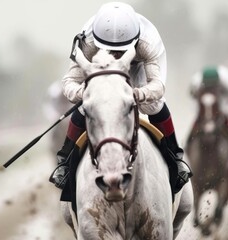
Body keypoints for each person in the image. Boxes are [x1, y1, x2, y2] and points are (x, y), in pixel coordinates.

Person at [48, 1, 192, 194]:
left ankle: (176, 156)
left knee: (153, 105)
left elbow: (157, 86)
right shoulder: (88, 42)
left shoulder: (147, 42)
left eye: (121, 49)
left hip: (136, 66)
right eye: (110, 49)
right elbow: (69, 82)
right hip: (101, 67)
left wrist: (140, 93)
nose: (116, 54)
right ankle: (64, 161)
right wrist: (87, 94)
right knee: (85, 106)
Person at [190, 65, 228, 153]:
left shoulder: (227, 82)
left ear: (218, 84)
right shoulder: (196, 84)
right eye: (208, 87)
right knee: (197, 119)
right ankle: (188, 141)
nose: (210, 89)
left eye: (212, 87)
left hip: (223, 100)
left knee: (227, 118)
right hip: (202, 101)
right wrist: (199, 112)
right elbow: (192, 99)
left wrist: (226, 111)